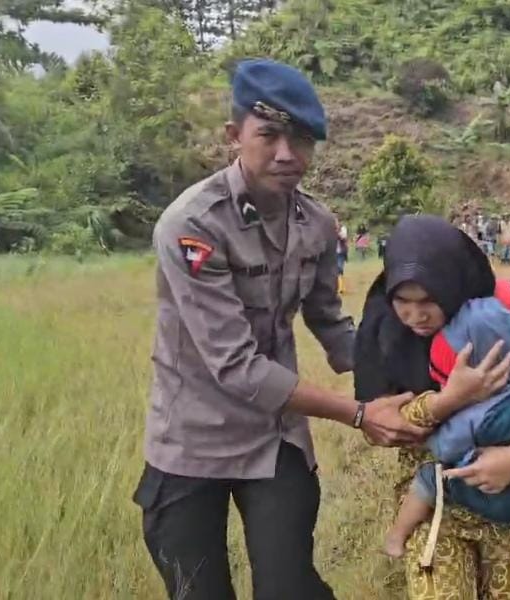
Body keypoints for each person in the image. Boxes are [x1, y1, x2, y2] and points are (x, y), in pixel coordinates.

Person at [133, 59, 426, 600]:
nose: (287, 154)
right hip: (191, 440)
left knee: (290, 586)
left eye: (301, 139)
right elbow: (235, 366)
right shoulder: (192, 226)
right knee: (197, 590)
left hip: (275, 437)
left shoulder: (314, 224)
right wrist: (360, 415)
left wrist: (413, 382)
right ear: (234, 136)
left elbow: (330, 324)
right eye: (268, 135)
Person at [354, 215, 510, 599]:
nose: (415, 317)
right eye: (403, 301)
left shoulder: (507, 310)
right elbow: (382, 427)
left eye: (429, 301)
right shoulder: (385, 328)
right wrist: (452, 399)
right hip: (437, 503)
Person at [383, 294, 510, 558]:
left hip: (503, 501)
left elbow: (443, 448)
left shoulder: (478, 417)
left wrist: (430, 432)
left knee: (430, 478)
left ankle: (396, 536)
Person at [334, 216, 349, 294]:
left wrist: (337, 232)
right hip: (333, 252)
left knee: (340, 269)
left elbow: (343, 237)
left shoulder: (343, 228)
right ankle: (336, 287)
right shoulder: (329, 229)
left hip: (341, 252)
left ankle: (341, 288)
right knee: (334, 270)